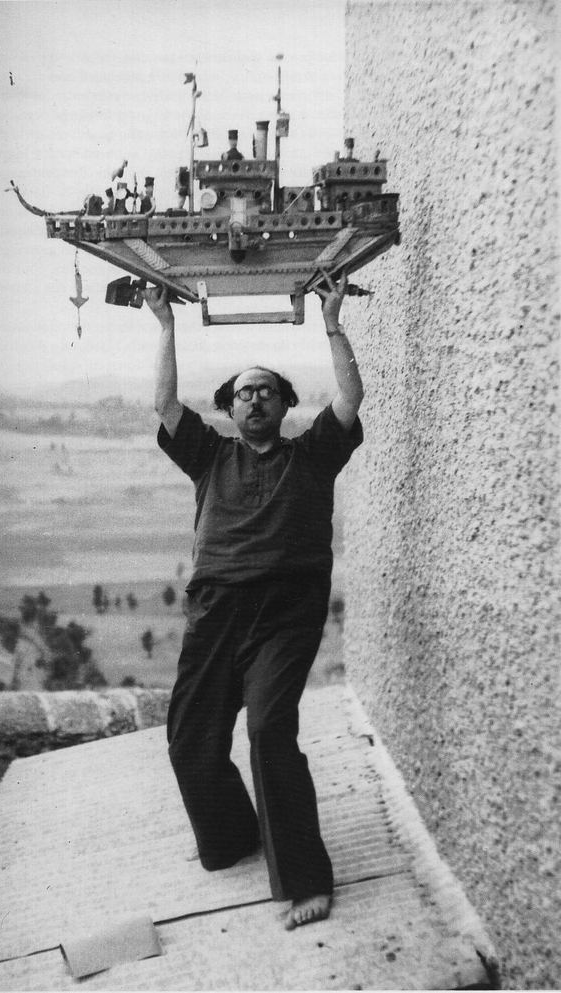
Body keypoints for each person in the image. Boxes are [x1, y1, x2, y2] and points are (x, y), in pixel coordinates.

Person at [145, 276, 364, 930]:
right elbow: (163, 402)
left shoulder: (315, 453)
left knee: (270, 728)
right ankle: (234, 834)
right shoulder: (210, 455)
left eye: (268, 390)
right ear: (231, 410)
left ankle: (305, 878)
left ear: (286, 404)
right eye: (245, 392)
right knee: (189, 738)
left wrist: (331, 320)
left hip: (286, 612)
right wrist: (165, 326)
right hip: (216, 611)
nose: (257, 398)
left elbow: (351, 395)